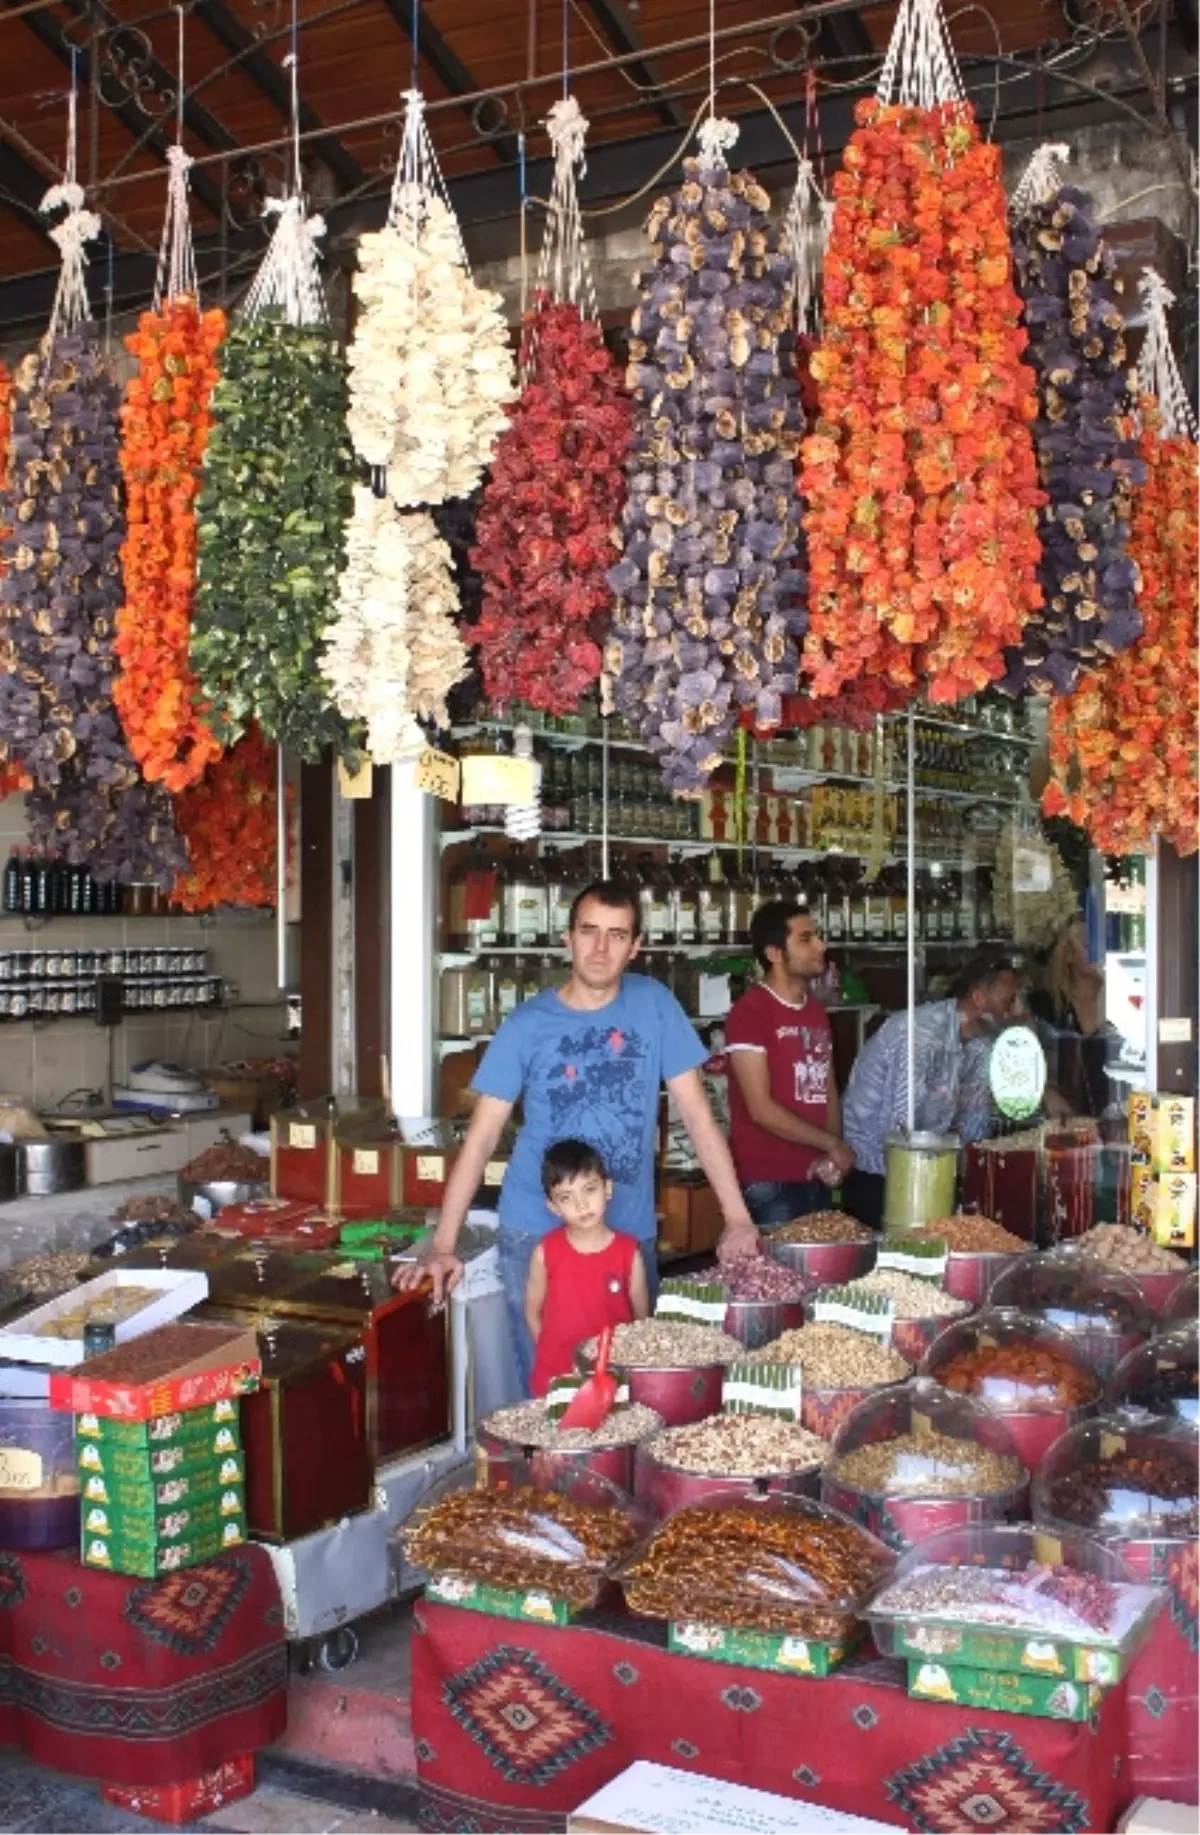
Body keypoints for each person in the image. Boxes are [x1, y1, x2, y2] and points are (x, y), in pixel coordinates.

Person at [394, 880, 759, 1392]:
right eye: (589, 931)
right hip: (537, 1232)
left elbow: (699, 1118)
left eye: (616, 935)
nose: (601, 948)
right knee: (551, 1390)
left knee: (631, 1385)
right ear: (567, 938)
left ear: (635, 948)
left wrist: (737, 1218)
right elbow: (479, 1140)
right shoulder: (527, 1024)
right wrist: (444, 1244)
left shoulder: (654, 1005)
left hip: (627, 1231)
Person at [841, 957, 1022, 1228]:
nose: (1015, 1010)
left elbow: (974, 1122)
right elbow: (901, 1128)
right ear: (979, 999)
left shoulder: (980, 1043)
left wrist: (973, 1178)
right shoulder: (921, 1035)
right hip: (877, 1169)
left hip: (928, 1167)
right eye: (1009, 1001)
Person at [725, 899, 853, 1228]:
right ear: (774, 953)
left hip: (815, 1175)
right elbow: (760, 1109)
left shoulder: (815, 1012)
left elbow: (827, 1088)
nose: (820, 945)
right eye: (805, 939)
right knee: (782, 1278)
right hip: (769, 1182)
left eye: (817, 936)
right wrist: (831, 1143)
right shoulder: (751, 1013)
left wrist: (832, 1154)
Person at [525, 1139, 650, 1397]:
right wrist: (551, 1355)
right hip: (555, 1381)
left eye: (589, 1190)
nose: (581, 1205)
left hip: (612, 1380)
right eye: (566, 1198)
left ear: (608, 1189)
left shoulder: (629, 1254)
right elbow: (532, 1312)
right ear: (553, 1207)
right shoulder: (545, 1253)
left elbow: (642, 1324)